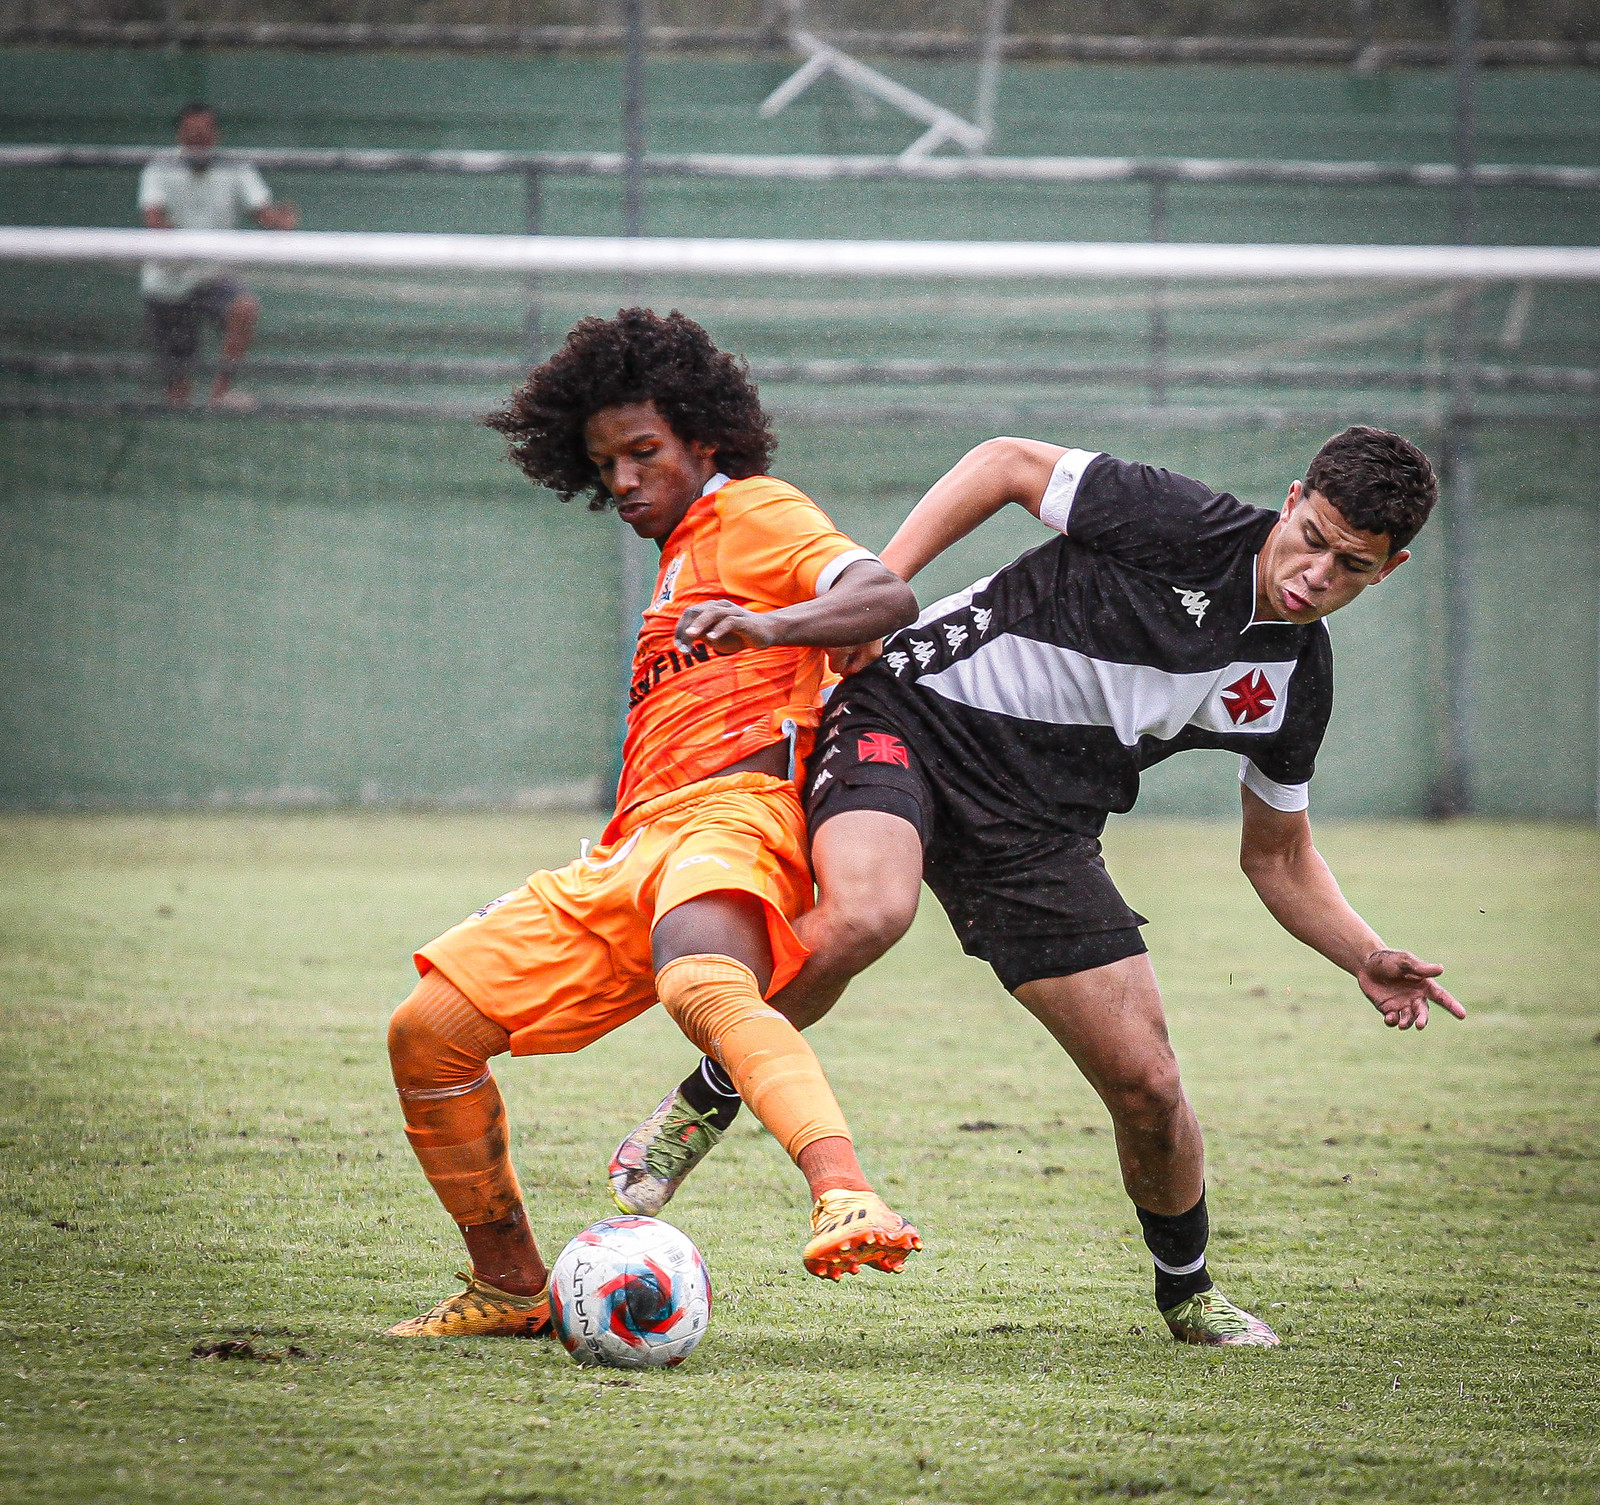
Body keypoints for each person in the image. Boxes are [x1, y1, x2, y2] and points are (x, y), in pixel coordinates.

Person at [611, 425, 1466, 1347]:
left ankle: (1188, 1291)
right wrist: (873, 597)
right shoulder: (1183, 521)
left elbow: (1279, 856)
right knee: (870, 910)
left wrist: (1363, 953)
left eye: (1352, 566)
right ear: (1292, 500)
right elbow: (1005, 463)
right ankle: (708, 1095)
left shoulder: (1297, 678)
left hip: (1039, 829)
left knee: (1149, 1084)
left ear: (1390, 568)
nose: (1316, 575)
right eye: (1313, 539)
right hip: (911, 712)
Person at [385, 309, 923, 1339]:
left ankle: (845, 1193)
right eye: (606, 466)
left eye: (644, 452)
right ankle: (510, 1285)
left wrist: (772, 624)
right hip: (631, 846)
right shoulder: (676, 556)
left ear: (704, 440)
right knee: (429, 1032)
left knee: (701, 983)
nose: (625, 480)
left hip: (733, 813)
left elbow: (881, 591)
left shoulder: (753, 508)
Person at [137, 102, 297, 411]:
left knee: (244, 309)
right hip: (167, 282)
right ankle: (179, 406)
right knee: (177, 390)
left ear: (216, 135)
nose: (197, 138)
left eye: (204, 132)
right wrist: (184, 244)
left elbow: (265, 215)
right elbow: (154, 221)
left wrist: (281, 221)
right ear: (179, 136)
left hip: (214, 276)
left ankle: (220, 393)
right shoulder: (158, 168)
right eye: (191, 132)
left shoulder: (236, 168)